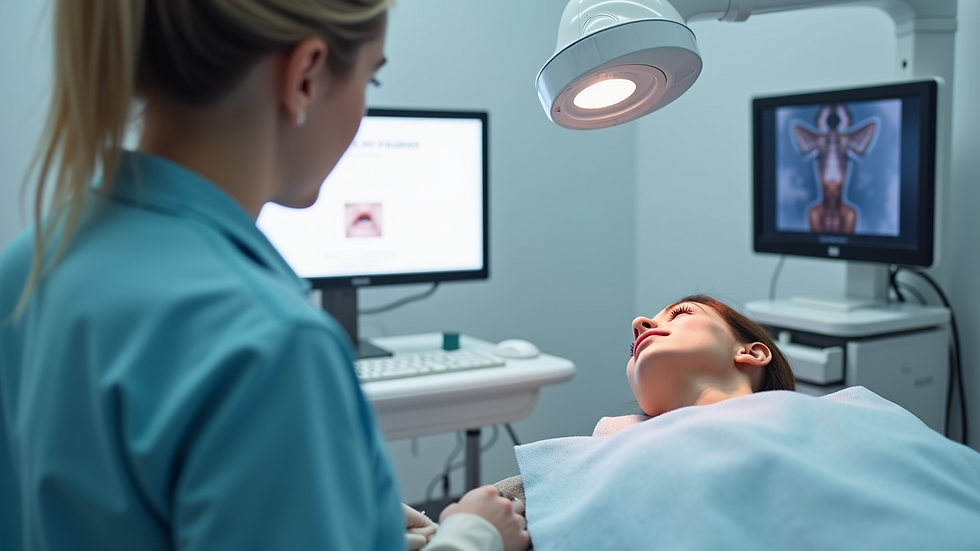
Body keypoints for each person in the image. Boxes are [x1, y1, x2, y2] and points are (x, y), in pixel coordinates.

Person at [0, 1, 527, 550]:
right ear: (305, 76)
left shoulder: (26, 267)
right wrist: (473, 536)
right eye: (372, 77)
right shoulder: (273, 344)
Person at [626, 294, 796, 418]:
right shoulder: (613, 443)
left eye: (680, 313)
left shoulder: (815, 415)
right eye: (633, 347)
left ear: (751, 353)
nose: (638, 323)